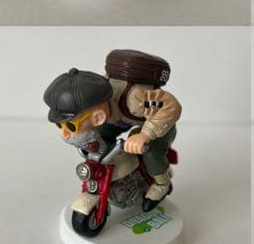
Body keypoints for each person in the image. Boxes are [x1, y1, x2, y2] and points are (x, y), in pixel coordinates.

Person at [44, 63, 180, 212]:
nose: (64, 134)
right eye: (60, 125)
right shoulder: (99, 95)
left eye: (71, 126)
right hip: (119, 118)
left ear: (98, 118)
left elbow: (169, 106)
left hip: (158, 121)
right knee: (100, 139)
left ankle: (162, 183)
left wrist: (145, 134)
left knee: (151, 151)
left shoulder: (137, 100)